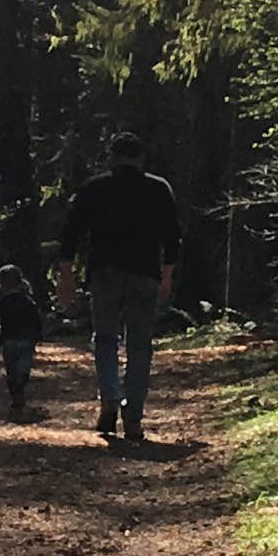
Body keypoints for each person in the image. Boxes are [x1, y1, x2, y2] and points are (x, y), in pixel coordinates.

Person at [59, 129, 185, 444]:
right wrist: (167, 274)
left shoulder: (94, 188)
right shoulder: (158, 189)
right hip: (145, 274)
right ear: (141, 159)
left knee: (105, 339)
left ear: (112, 158)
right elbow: (172, 236)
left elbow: (71, 232)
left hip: (104, 272)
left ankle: (110, 398)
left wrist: (66, 274)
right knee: (139, 345)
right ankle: (134, 416)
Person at [0, 258, 44, 416]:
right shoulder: (28, 302)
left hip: (8, 342)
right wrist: (37, 338)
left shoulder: (0, 303)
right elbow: (37, 321)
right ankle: (20, 387)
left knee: (11, 372)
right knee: (23, 370)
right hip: (26, 341)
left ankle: (16, 401)